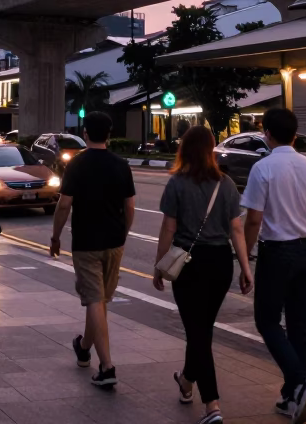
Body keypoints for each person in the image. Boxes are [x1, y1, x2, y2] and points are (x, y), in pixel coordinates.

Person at [153, 127, 253, 424]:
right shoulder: (226, 184)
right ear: (211, 150)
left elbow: (168, 228)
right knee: (201, 329)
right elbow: (236, 229)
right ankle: (186, 381)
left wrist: (159, 264)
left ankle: (212, 406)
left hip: (189, 263)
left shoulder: (177, 184)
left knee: (198, 332)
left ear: (184, 149)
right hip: (220, 263)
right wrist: (246, 269)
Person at [242, 108, 306, 424]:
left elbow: (253, 219)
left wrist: (245, 255)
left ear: (266, 133)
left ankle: (302, 382)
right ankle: (291, 395)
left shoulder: (263, 168)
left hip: (277, 252)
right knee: (298, 324)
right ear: (295, 134)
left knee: (267, 321)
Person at [50, 110, 135, 389]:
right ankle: (84, 347)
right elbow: (129, 207)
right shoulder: (121, 164)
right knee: (99, 300)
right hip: (114, 243)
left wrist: (55, 236)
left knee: (95, 300)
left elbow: (64, 205)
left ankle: (108, 366)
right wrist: (122, 235)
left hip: (86, 243)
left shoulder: (76, 165)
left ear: (85, 133)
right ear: (109, 135)